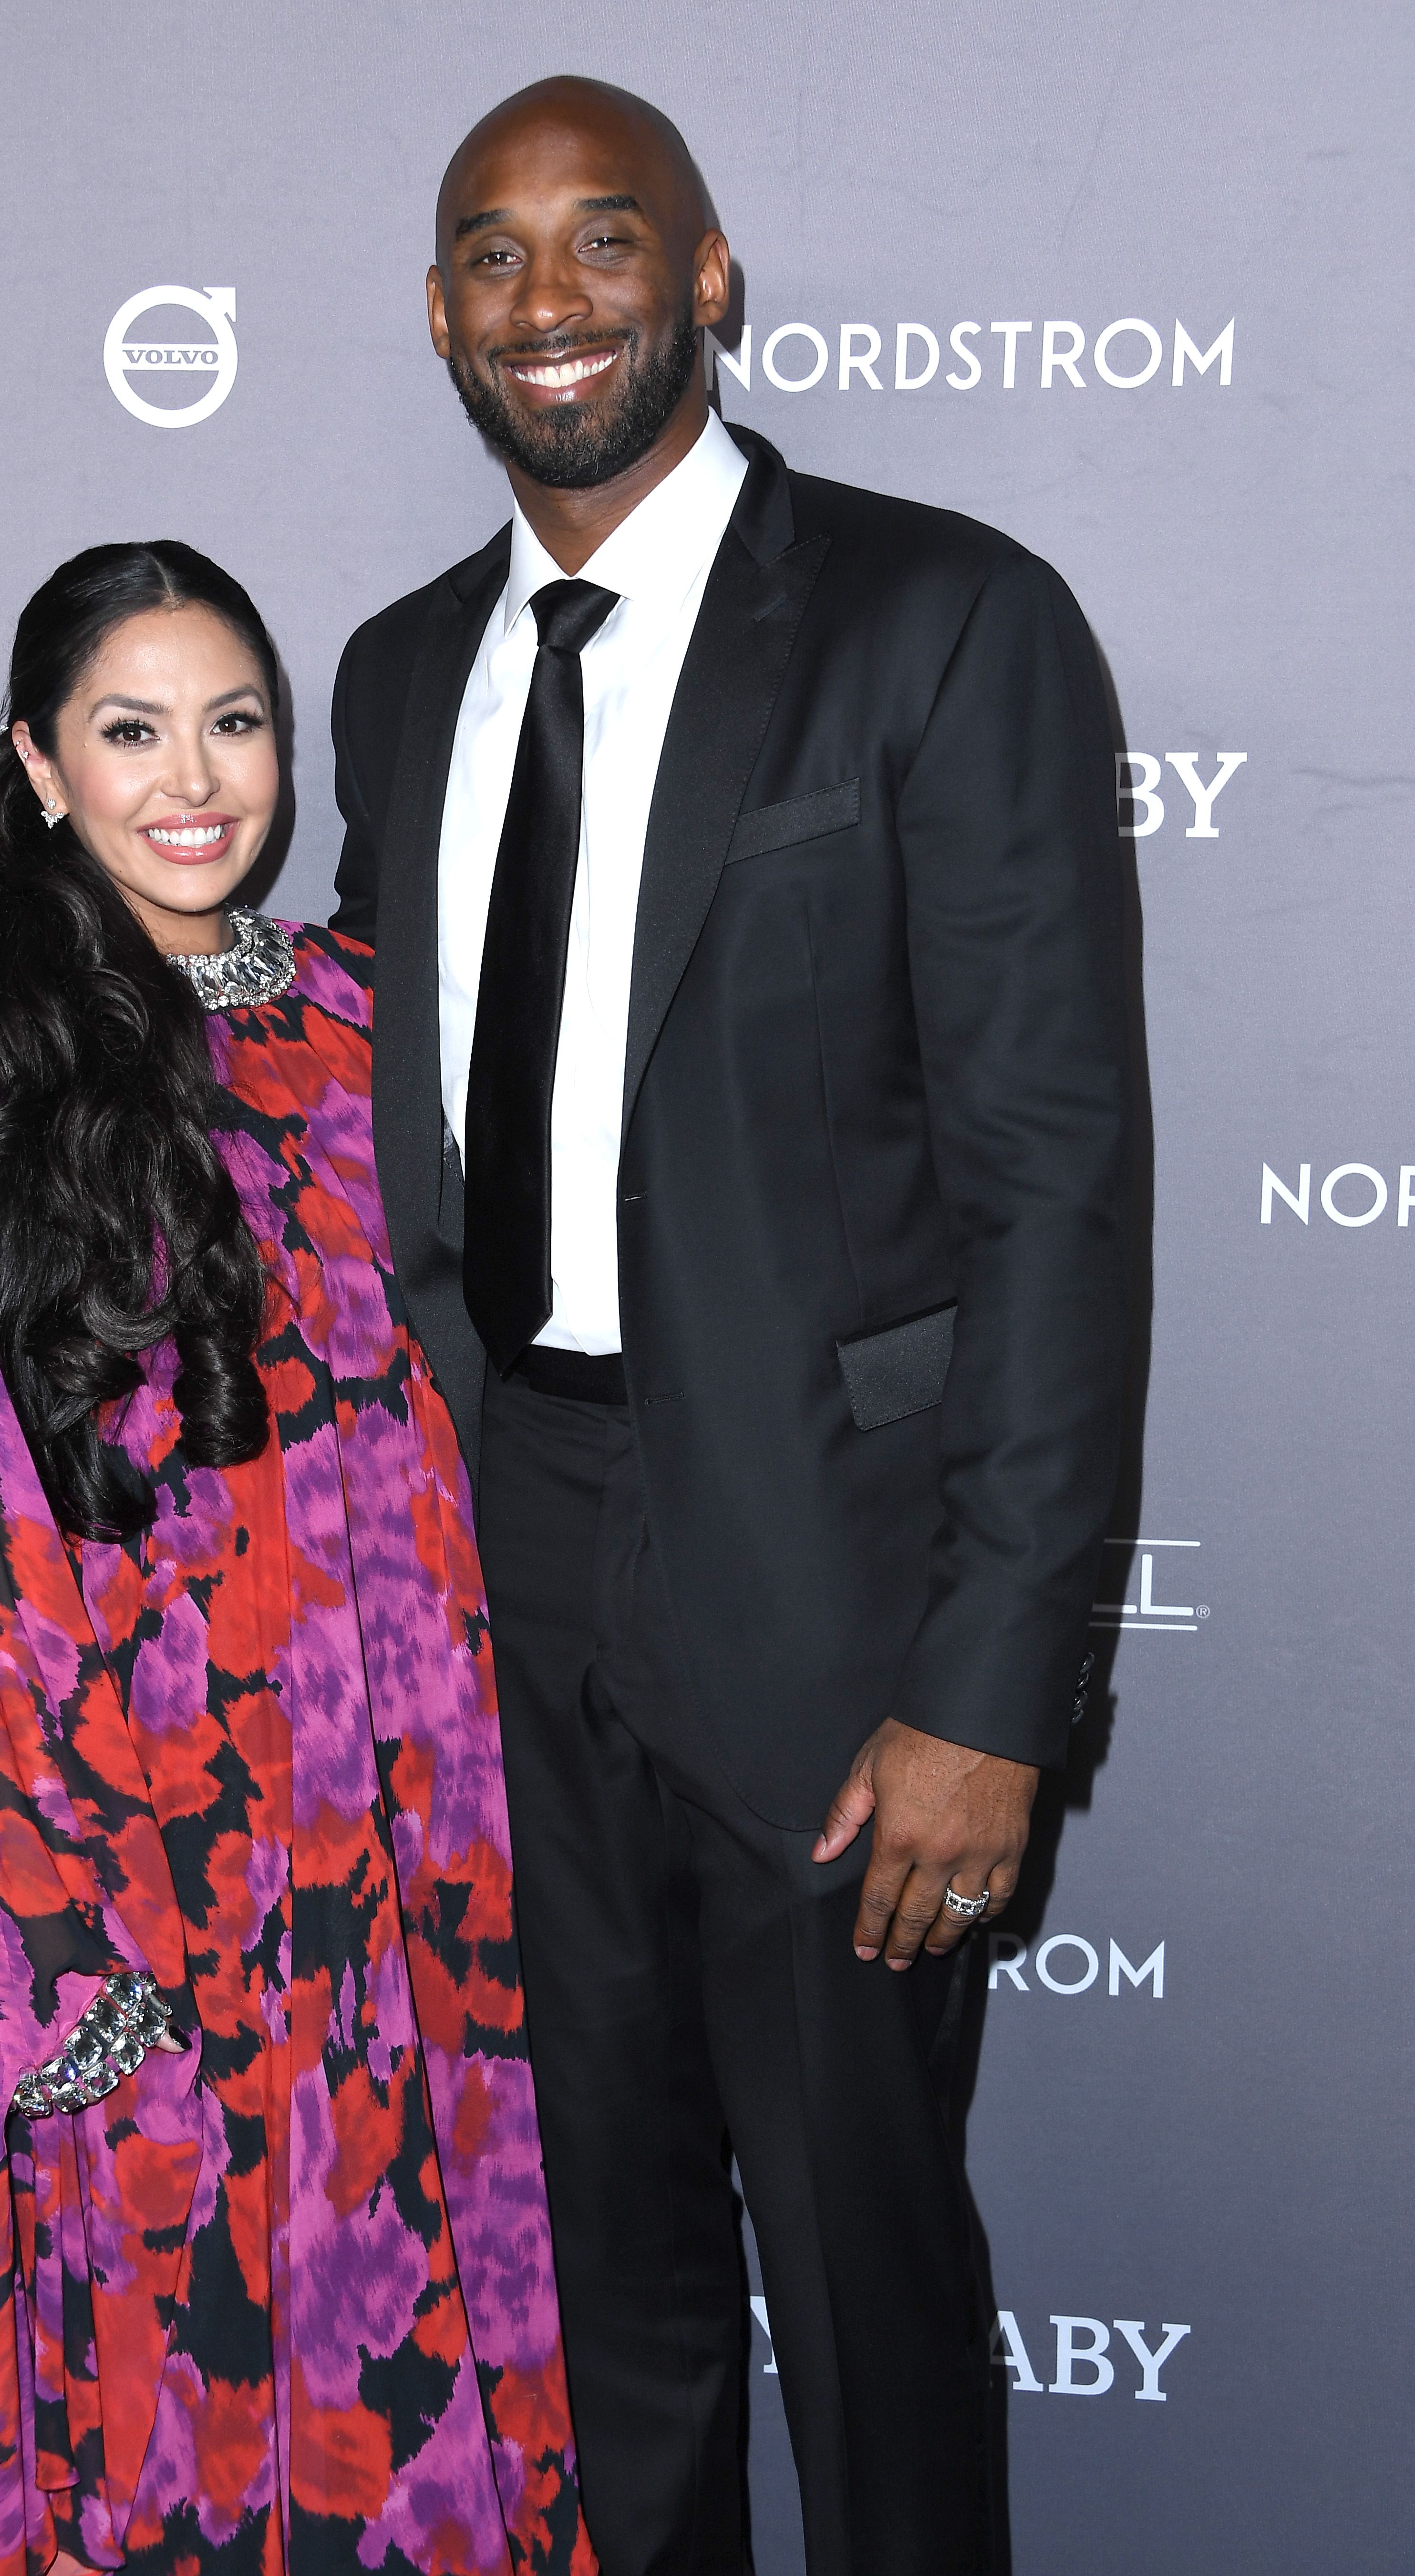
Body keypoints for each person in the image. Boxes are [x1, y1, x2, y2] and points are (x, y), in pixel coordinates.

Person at [330, 76, 1128, 2576]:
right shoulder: (391, 672)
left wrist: (989, 1683)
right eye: (488, 253)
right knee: (591, 2288)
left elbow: (1048, 1181)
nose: (543, 300)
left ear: (705, 278)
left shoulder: (933, 613)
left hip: (832, 1586)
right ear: (432, 311)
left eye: (599, 242)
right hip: (503, 1563)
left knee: (863, 2290)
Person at [0, 541, 595, 2576]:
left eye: (233, 723)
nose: (195, 778)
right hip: (135, 1823)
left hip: (404, 1821)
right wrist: (59, 1910)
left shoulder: (351, 1010)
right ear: (39, 765)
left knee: (402, 2366)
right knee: (165, 2385)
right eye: (132, 729)